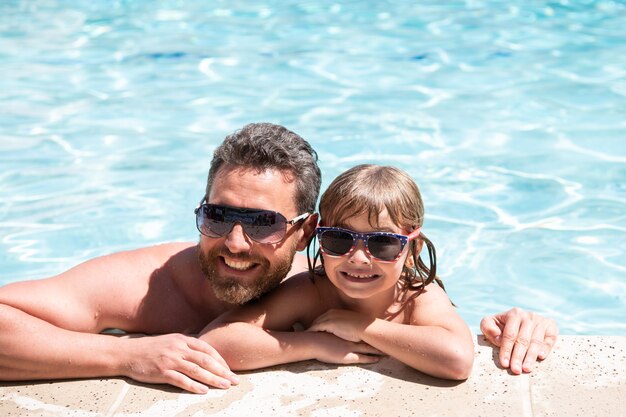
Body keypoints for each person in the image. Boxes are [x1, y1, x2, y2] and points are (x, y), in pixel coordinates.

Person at [0, 123, 558, 393]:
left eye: (263, 223)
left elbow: (420, 307)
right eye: (218, 217)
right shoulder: (140, 284)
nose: (236, 244)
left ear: (307, 231)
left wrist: (515, 320)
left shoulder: (333, 268)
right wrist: (127, 357)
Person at [201, 164, 474, 379]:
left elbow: (457, 360)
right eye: (339, 240)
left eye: (383, 243)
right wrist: (314, 345)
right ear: (318, 238)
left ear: (412, 250)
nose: (358, 258)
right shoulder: (312, 291)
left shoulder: (417, 296)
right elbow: (215, 343)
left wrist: (361, 327)